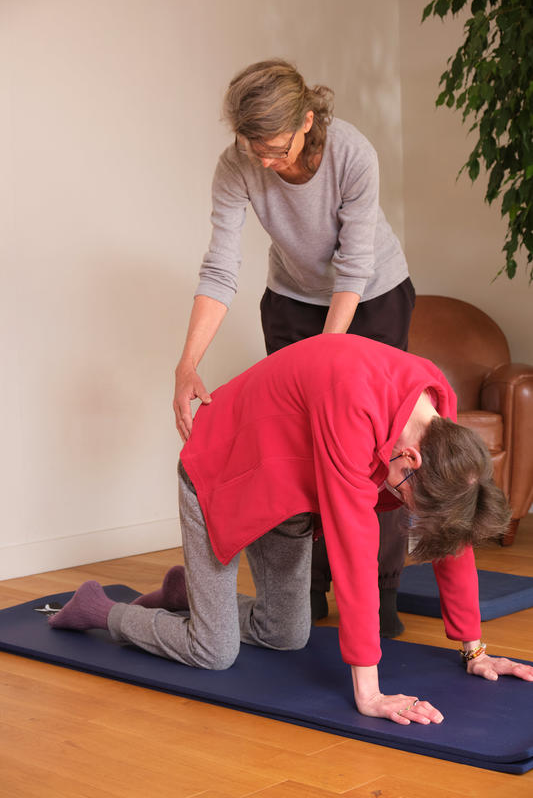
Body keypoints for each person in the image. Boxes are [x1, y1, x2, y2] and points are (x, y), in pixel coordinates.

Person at [49, 335, 533, 725]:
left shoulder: (440, 423)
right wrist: (370, 693)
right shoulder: (354, 407)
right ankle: (99, 608)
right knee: (212, 652)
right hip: (222, 470)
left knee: (286, 634)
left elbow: (454, 531)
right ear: (410, 460)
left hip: (289, 490)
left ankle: (186, 592)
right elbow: (354, 556)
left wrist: (476, 649)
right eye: (410, 500)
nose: (404, 509)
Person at [174, 59, 416, 634]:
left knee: (374, 455)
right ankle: (303, 595)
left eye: (275, 146)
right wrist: (187, 364)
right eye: (252, 144)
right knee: (291, 447)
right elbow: (221, 266)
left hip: (373, 296)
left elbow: (353, 267)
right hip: (290, 299)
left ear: (307, 120)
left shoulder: (352, 155)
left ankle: (379, 599)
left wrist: (322, 363)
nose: (263, 158)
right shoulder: (238, 164)